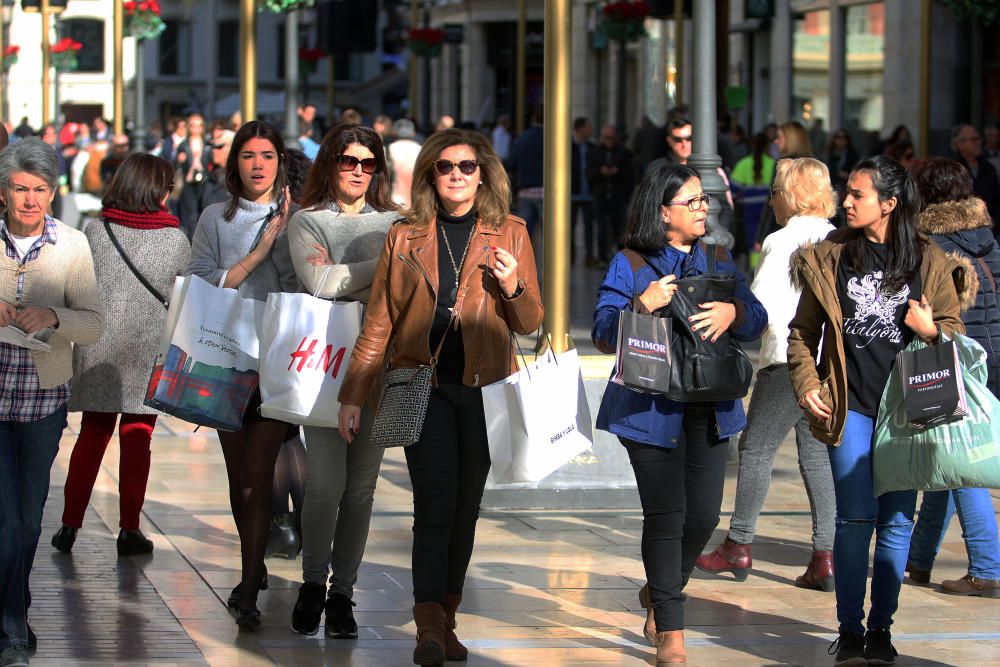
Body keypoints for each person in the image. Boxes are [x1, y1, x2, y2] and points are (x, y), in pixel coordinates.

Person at [336, 128, 543, 666]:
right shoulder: (404, 236)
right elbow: (379, 320)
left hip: (482, 390)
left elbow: (531, 322)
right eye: (446, 166)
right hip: (417, 385)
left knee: (466, 510)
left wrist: (514, 284)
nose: (456, 175)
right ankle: (428, 625)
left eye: (467, 166)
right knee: (433, 507)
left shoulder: (510, 234)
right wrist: (353, 392)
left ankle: (446, 618)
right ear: (431, 173)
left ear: (483, 173)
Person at [787, 155, 970, 665]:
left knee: (894, 522)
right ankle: (849, 631)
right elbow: (801, 334)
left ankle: (881, 630)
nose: (846, 201)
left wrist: (933, 329)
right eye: (847, 191)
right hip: (850, 408)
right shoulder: (829, 259)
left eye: (858, 194)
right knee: (854, 519)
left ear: (889, 204)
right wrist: (807, 384)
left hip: (908, 410)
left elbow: (956, 333)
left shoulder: (929, 262)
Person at [592, 162, 765, 664]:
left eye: (703, 200)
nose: (703, 207)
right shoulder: (631, 261)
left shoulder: (718, 258)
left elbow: (756, 318)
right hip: (650, 408)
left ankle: (662, 589)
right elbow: (604, 330)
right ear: (662, 211)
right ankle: (670, 624)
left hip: (711, 405)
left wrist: (734, 311)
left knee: (705, 514)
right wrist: (642, 305)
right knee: (667, 515)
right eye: (691, 201)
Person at [696, 158, 837, 589]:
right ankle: (825, 555)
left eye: (775, 192)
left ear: (791, 195)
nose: (772, 200)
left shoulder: (783, 240)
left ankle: (738, 544)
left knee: (756, 449)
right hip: (827, 364)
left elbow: (762, 308)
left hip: (788, 361)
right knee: (816, 456)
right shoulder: (837, 238)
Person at [286, 124, 400, 638]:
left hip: (380, 368)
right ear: (329, 163)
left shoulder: (398, 220)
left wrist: (353, 276)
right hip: (324, 365)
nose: (357, 171)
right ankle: (313, 581)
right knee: (325, 485)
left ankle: (343, 594)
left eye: (367, 162)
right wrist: (389, 264)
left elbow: (399, 293)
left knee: (361, 490)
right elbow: (320, 281)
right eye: (347, 161)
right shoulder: (308, 221)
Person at [186, 120, 298, 630]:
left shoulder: (300, 217)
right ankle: (252, 563)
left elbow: (306, 287)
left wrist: (292, 237)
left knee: (257, 476)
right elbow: (206, 281)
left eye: (268, 155)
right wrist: (259, 251)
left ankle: (250, 581)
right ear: (235, 164)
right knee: (239, 480)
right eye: (249, 155)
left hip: (277, 358)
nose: (258, 165)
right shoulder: (214, 217)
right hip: (226, 356)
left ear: (280, 162)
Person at [51, 154, 190, 558]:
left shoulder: (97, 231)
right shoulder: (176, 240)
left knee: (92, 436)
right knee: (137, 439)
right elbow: (184, 298)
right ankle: (129, 529)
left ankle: (69, 524)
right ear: (158, 190)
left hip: (99, 347)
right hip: (148, 352)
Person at [0, 139, 105, 667]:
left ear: (53, 192)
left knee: (26, 518)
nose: (29, 200)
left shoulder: (72, 245)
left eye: (40, 189)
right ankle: (12, 626)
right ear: (3, 192)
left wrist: (54, 317)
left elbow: (93, 322)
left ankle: (14, 606)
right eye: (20, 189)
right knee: (3, 517)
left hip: (43, 399)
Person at [905, 157, 1000, 597]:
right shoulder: (989, 240)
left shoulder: (932, 247)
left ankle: (986, 568)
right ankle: (919, 562)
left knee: (962, 466)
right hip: (992, 361)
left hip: (955, 361)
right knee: (944, 459)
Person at [587, 125, 634, 261]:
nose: (608, 141)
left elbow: (630, 175)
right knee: (601, 228)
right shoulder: (595, 152)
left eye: (611, 138)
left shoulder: (624, 152)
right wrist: (600, 172)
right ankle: (602, 257)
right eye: (605, 138)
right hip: (600, 195)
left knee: (619, 228)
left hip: (618, 196)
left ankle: (621, 258)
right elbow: (589, 173)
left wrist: (617, 172)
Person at [951, 124, 1000, 228]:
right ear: (960, 144)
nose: (978, 142)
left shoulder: (988, 168)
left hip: (989, 228)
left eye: (979, 138)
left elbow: (995, 200)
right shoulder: (953, 169)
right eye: (973, 139)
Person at [507, 106, 545, 239]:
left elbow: (511, 164)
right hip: (547, 192)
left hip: (525, 191)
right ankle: (546, 260)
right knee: (548, 235)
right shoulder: (553, 139)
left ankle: (526, 259)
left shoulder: (522, 138)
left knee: (524, 234)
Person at [175, 113, 211, 238]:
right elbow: (176, 163)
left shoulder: (207, 144)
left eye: (199, 125)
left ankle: (202, 237)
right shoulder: (184, 144)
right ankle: (191, 238)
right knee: (189, 212)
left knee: (203, 208)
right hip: (188, 181)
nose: (196, 128)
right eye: (193, 125)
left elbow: (210, 162)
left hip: (204, 180)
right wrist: (180, 159)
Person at [571, 117, 597, 265]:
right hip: (572, 193)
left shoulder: (592, 147)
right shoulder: (568, 147)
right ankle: (570, 255)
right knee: (570, 227)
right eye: (588, 127)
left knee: (589, 227)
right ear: (580, 129)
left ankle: (589, 255)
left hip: (589, 193)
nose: (591, 130)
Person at [388, 119, 422, 208]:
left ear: (394, 133)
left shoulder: (388, 150)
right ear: (413, 133)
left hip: (392, 203)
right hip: (418, 202)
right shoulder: (421, 150)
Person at [826, 128, 859, 197]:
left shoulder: (852, 154)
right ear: (834, 139)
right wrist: (838, 174)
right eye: (838, 137)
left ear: (847, 139)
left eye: (844, 137)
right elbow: (827, 169)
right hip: (831, 186)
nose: (841, 140)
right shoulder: (829, 153)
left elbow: (856, 170)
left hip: (848, 186)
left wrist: (848, 174)